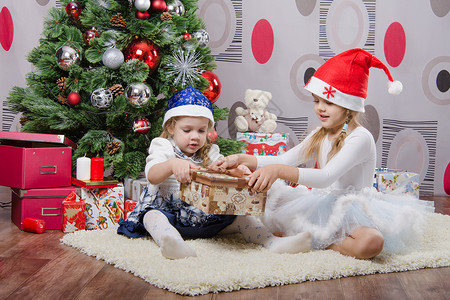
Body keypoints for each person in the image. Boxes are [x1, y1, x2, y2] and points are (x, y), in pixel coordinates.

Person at [211, 49, 435, 259]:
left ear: (348, 106)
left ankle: (318, 242)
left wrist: (278, 171)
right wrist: (241, 158)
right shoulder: (320, 133)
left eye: (329, 102)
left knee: (372, 242)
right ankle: (306, 236)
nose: (320, 108)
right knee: (271, 208)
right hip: (321, 203)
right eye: (317, 101)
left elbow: (326, 176)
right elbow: (284, 159)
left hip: (353, 207)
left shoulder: (360, 138)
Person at [118, 86, 311, 259]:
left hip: (206, 220)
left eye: (201, 131)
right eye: (187, 130)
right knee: (151, 216)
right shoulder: (164, 146)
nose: (195, 137)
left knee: (242, 216)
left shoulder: (208, 152)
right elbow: (152, 175)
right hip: (172, 216)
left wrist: (236, 171)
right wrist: (172, 164)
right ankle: (172, 242)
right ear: (171, 127)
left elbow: (222, 171)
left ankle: (271, 242)